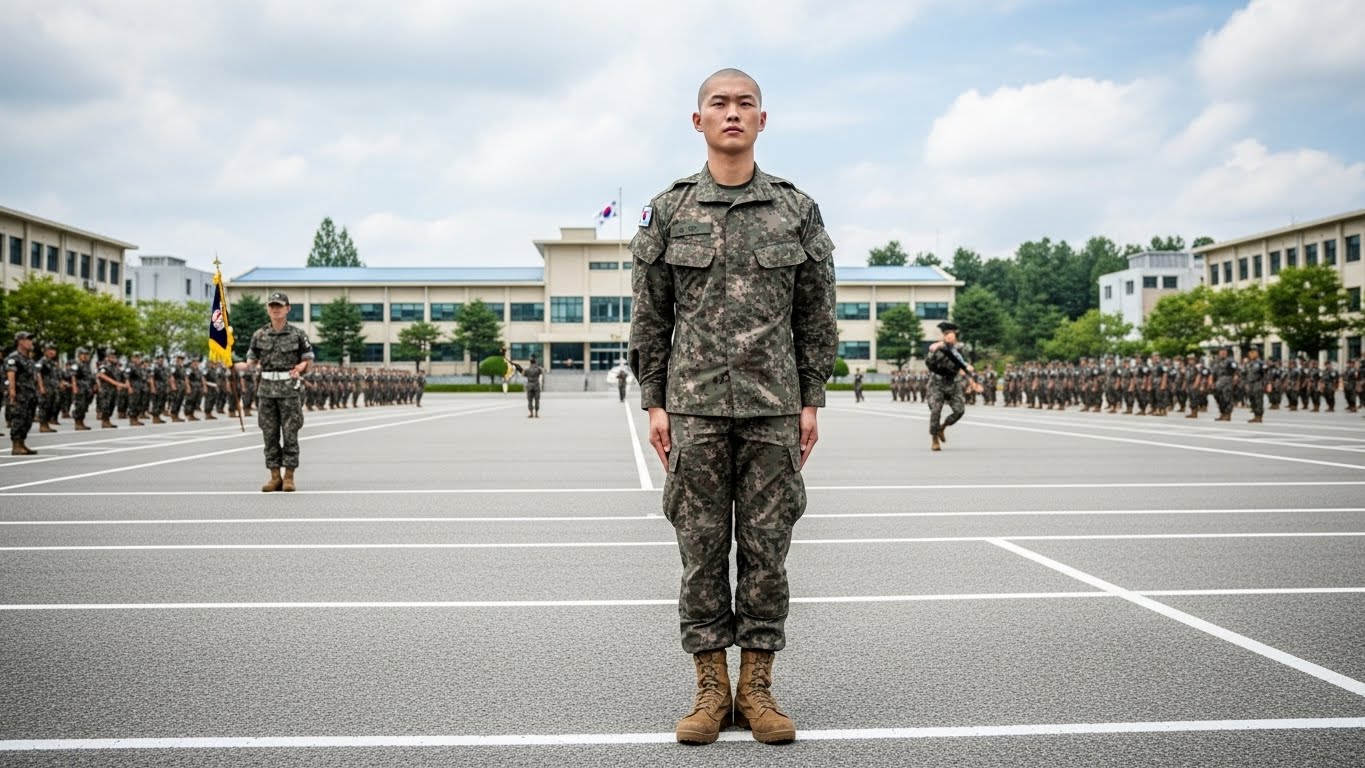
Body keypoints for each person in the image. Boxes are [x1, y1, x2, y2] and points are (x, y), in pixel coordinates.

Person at [631, 68, 836, 746]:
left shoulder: (795, 209)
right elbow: (650, 316)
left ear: (761, 120)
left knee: (767, 551)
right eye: (718, 103)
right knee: (699, 551)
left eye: (743, 103)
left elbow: (815, 315)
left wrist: (811, 399)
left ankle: (758, 688)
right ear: (698, 121)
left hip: (773, 407)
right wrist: (654, 401)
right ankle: (709, 690)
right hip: (692, 408)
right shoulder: (668, 210)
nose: (731, 113)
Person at [247, 292, 314, 493]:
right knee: (269, 434)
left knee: (290, 433)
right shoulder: (259, 335)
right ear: (268, 309)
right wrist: (232, 364)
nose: (275, 309)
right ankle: (274, 476)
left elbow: (309, 361)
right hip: (266, 391)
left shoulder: (298, 334)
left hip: (289, 391)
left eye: (279, 305)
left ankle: (289, 477)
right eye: (272, 306)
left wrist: (301, 367)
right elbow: (251, 363)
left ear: (287, 308)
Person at [924, 321, 983, 451]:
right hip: (937, 384)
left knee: (959, 411)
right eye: (948, 335)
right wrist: (936, 350)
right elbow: (929, 364)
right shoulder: (936, 348)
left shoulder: (960, 350)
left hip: (953, 383)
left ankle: (942, 427)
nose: (952, 338)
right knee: (936, 410)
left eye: (954, 335)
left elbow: (964, 367)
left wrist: (972, 383)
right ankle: (934, 438)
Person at [5, 331, 41, 455]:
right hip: (20, 394)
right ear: (20, 341)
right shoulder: (13, 357)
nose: (30, 342)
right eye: (27, 339)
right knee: (19, 419)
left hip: (30, 394)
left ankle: (22, 443)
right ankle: (16, 445)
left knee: (28, 419)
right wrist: (12, 392)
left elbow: (34, 375)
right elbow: (11, 374)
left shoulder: (29, 359)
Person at [1243, 346, 1266, 423]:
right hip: (1250, 384)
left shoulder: (1261, 363)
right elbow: (1244, 374)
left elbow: (1266, 374)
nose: (1252, 354)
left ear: (1257, 353)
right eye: (1250, 352)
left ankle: (1259, 416)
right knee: (1252, 399)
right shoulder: (1248, 364)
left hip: (1258, 383)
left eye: (1254, 352)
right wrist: (1245, 383)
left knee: (1258, 400)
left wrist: (1266, 384)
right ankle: (1255, 415)